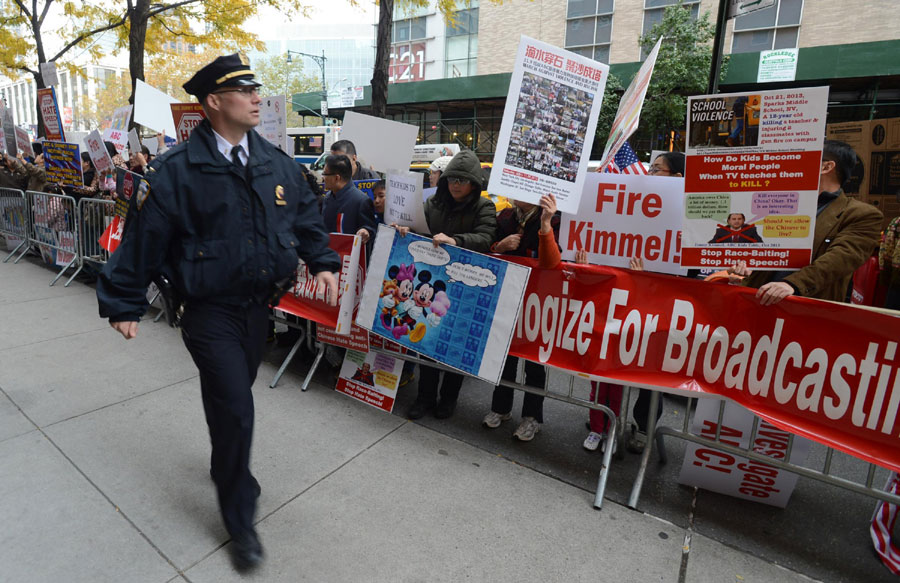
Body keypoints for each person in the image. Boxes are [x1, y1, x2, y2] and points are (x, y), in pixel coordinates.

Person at [95, 53, 340, 572]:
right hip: (207, 309)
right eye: (244, 90)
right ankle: (240, 516)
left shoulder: (274, 160)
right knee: (235, 404)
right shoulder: (176, 171)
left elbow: (303, 213)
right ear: (213, 103)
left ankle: (224, 460)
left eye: (256, 89)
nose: (257, 97)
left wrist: (320, 260)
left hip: (259, 307)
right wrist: (124, 300)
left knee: (233, 394)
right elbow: (145, 239)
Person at [396, 149, 497, 420]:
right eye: (452, 179)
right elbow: (418, 225)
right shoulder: (433, 203)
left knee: (455, 344)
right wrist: (405, 228)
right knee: (427, 339)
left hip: (466, 286)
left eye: (462, 181)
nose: (455, 185)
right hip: (434, 282)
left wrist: (457, 241)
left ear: (474, 184)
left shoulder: (484, 206)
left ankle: (449, 399)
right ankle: (424, 398)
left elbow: (486, 237)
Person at [731, 139, 883, 305]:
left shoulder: (862, 214)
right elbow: (764, 248)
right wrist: (746, 264)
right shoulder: (783, 204)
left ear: (826, 167)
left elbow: (840, 259)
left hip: (806, 310)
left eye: (803, 157)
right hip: (759, 303)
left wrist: (792, 284)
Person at [482, 193, 560, 441]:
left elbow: (552, 263)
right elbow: (487, 249)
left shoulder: (553, 219)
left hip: (539, 299)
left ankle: (532, 417)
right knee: (505, 356)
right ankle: (501, 408)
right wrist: (499, 248)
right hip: (507, 295)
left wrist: (546, 226)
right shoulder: (504, 216)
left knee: (535, 362)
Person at [321, 153, 377, 244]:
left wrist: (366, 231)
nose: (322, 178)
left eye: (325, 174)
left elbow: (371, 229)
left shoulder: (361, 200)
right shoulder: (327, 198)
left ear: (336, 178)